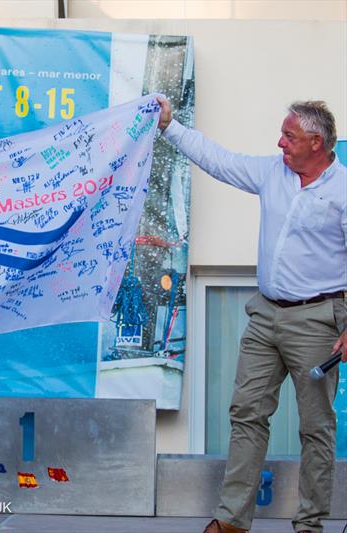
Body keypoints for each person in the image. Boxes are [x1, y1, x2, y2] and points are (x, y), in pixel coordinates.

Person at [157, 97, 347, 533]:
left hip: (317, 320)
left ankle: (310, 524)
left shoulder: (342, 190)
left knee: (316, 427)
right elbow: (220, 161)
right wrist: (170, 127)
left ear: (316, 143)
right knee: (246, 414)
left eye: (290, 136)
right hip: (265, 316)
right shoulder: (272, 173)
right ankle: (232, 520)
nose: (279, 142)